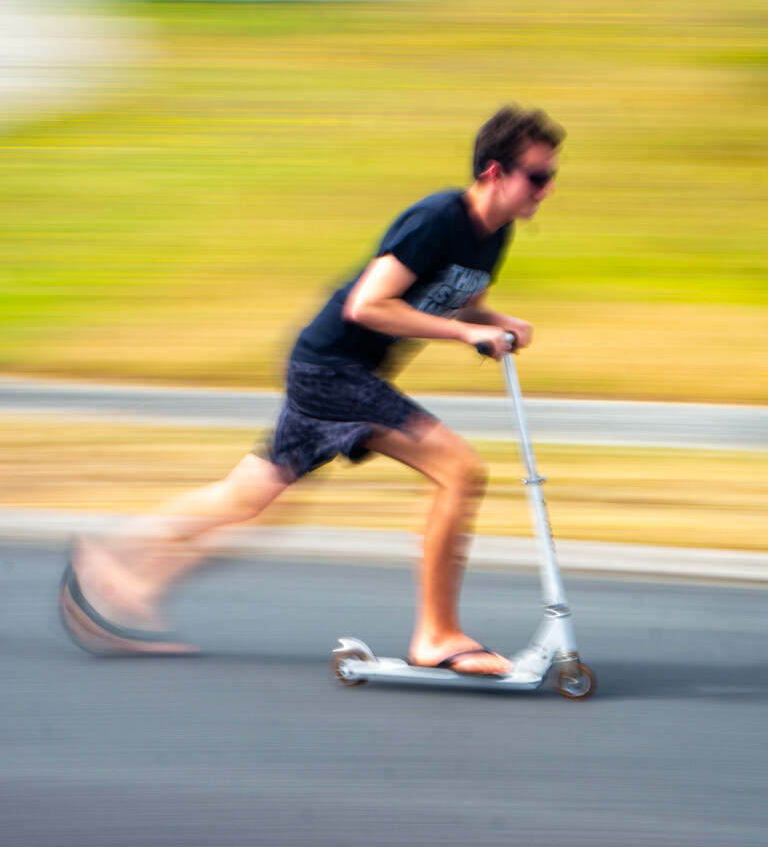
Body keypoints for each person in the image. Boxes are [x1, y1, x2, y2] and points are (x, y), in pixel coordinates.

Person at [59, 103, 564, 675]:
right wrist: (466, 332)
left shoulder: (492, 236)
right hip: (333, 370)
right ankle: (437, 636)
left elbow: (450, 296)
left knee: (249, 497)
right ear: (495, 173)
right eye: (537, 176)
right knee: (460, 470)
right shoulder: (437, 219)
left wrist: (497, 320)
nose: (545, 190)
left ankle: (107, 563)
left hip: (336, 371)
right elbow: (368, 304)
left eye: (550, 177)